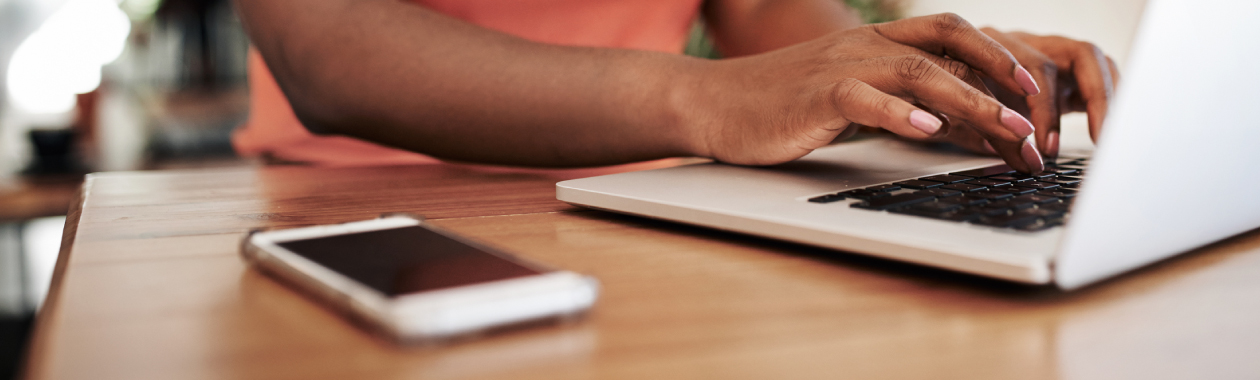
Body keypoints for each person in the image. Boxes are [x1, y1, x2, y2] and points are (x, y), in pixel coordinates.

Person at [232, 0, 1116, 174]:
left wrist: (917, 83)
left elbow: (760, 6)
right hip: (358, 195)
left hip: (650, 188)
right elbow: (321, 44)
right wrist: (707, 96)